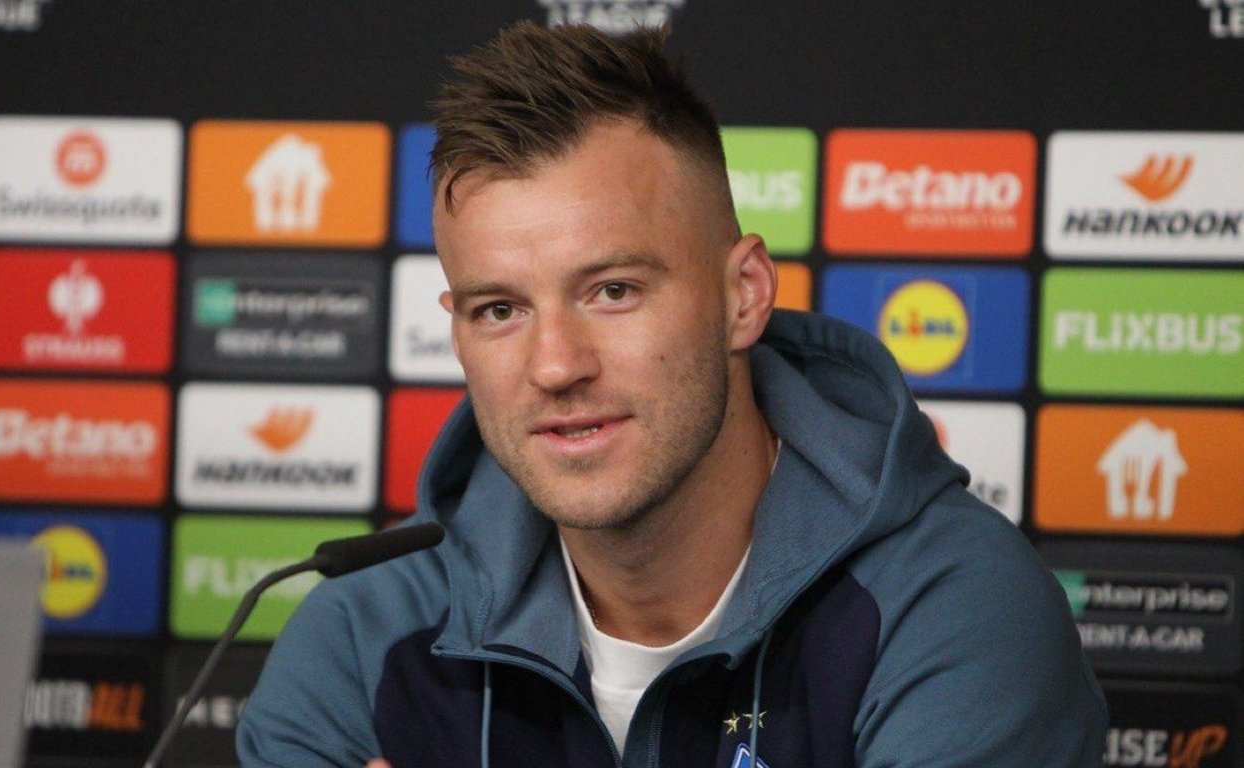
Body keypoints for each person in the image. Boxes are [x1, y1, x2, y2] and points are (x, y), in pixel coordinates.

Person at [238, 21, 1106, 768]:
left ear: (743, 295)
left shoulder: (952, 607)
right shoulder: (361, 635)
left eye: (612, 291)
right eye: (499, 309)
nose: (555, 366)